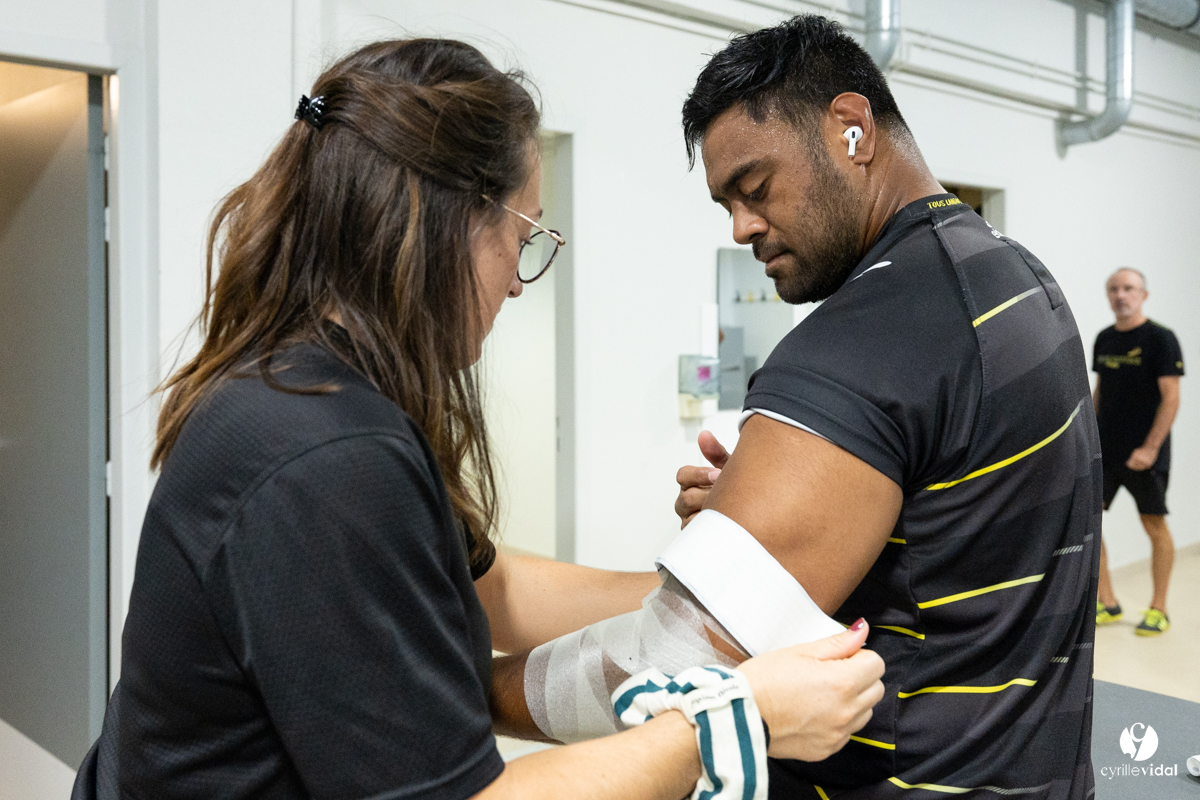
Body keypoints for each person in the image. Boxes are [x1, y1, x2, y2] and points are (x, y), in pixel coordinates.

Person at [74, 38, 887, 800]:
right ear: (446, 219)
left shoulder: (309, 389)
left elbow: (492, 589)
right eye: (524, 233)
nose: (518, 284)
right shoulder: (325, 455)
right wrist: (738, 715)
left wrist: (708, 594)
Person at [653, 15, 1097, 799]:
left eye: (755, 189)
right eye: (727, 202)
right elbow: (957, 532)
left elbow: (674, 659)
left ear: (851, 128)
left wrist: (470, 680)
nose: (742, 226)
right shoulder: (1013, 274)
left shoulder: (863, 339)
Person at [1092, 267, 1184, 636]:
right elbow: (1100, 391)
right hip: (1106, 451)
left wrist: (1149, 448)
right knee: (1090, 524)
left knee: (1154, 525)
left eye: (1128, 288)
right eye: (1113, 289)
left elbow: (1172, 399)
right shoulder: (1104, 339)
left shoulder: (1161, 339)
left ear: (1143, 294)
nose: (1120, 295)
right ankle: (1108, 602)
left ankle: (1158, 608)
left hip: (1145, 454)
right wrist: (1088, 439)